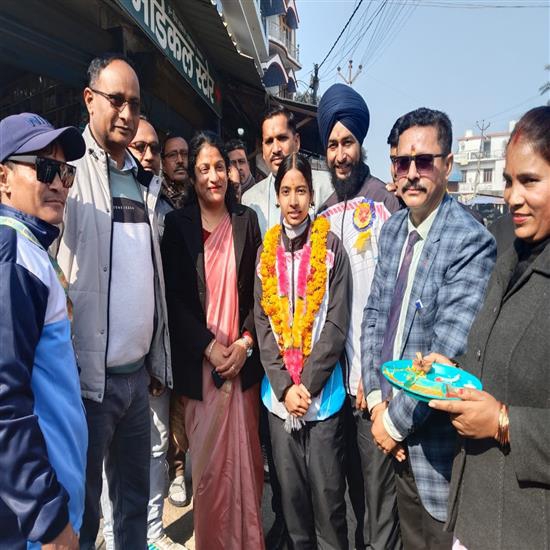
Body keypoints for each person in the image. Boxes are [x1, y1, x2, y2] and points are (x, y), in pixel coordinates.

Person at [362, 107, 496, 550]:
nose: (412, 173)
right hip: (386, 424)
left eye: (424, 161)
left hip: (432, 449)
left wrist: (393, 424)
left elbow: (446, 357)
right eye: (402, 163)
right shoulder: (393, 230)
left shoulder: (469, 241)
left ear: (448, 164)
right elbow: (374, 317)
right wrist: (377, 402)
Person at [56, 53, 172, 549]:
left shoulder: (146, 182)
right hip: (88, 385)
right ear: (90, 100)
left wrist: (154, 360)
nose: (126, 113)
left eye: (135, 104)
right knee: (82, 513)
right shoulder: (68, 174)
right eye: (116, 100)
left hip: (135, 378)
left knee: (133, 505)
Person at [428, 105, 550, 550]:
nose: (513, 197)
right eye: (508, 181)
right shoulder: (509, 254)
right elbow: (499, 358)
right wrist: (453, 370)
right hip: (475, 513)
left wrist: (503, 422)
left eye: (530, 181)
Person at [161, 131, 264, 550]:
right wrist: (209, 346)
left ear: (230, 171)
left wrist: (245, 343)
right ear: (193, 177)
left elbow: (259, 294)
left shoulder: (246, 221)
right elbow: (173, 299)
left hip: (241, 366)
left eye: (219, 167)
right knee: (208, 476)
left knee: (246, 468)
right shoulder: (177, 226)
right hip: (201, 368)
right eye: (203, 169)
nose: (213, 176)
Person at [316, 83, 401, 550]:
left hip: (375, 387)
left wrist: (377, 379)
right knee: (348, 491)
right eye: (332, 145)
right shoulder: (323, 215)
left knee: (379, 500)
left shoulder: (386, 203)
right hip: (335, 388)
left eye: (347, 143)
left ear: (360, 144)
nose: (340, 155)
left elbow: (397, 299)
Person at [254, 153, 351, 549]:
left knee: (329, 506)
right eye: (286, 191)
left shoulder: (331, 249)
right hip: (279, 404)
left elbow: (336, 324)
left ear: (312, 195)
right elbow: (262, 323)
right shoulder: (266, 252)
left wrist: (306, 386)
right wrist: (284, 387)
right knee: (292, 508)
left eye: (301, 191)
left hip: (322, 400)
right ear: (276, 195)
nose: (293, 201)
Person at [0, 113, 87, 549]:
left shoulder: (29, 248)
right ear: (3, 178)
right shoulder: (13, 256)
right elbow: (5, 402)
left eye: (65, 172)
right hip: (35, 528)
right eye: (45, 168)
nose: (58, 183)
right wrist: (48, 519)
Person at [98, 116, 185, 550]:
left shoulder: (160, 205)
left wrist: (157, 356)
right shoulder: (96, 192)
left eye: (154, 148)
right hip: (104, 365)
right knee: (106, 460)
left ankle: (151, 533)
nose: (148, 155)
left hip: (152, 357)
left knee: (155, 448)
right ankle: (113, 537)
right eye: (140, 146)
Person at [242, 104, 333, 236]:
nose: (276, 149)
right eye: (269, 141)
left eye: (282, 138)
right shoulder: (250, 199)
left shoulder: (326, 186)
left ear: (296, 142)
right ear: (263, 150)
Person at [162, 134, 191, 209]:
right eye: (172, 155)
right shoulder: (157, 196)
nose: (180, 160)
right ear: (163, 164)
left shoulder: (200, 195)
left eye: (184, 154)